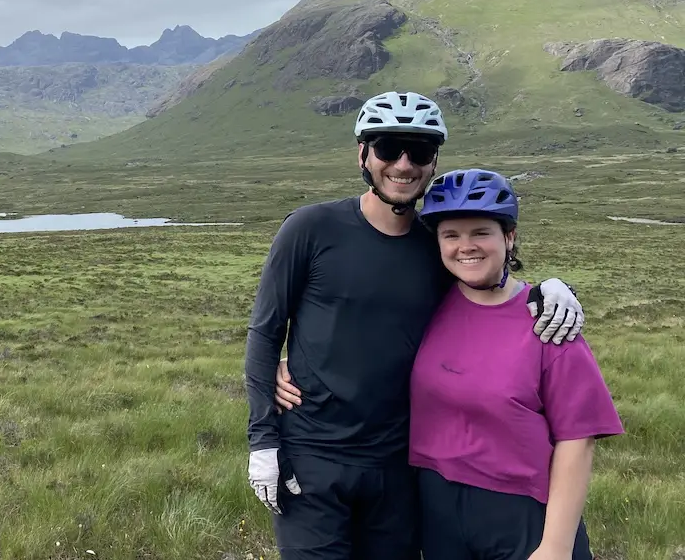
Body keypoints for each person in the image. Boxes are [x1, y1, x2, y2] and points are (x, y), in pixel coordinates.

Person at [245, 90, 585, 560]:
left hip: (399, 468)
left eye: (420, 151)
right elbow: (265, 332)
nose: (403, 164)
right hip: (312, 457)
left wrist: (551, 288)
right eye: (388, 148)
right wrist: (262, 441)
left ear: (433, 161)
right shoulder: (309, 229)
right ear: (363, 154)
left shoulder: (436, 245)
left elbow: (487, 285)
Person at [407, 167, 623, 559]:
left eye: (481, 233)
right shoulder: (426, 305)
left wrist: (555, 546)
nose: (465, 246)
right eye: (451, 235)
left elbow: (578, 440)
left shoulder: (548, 321)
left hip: (522, 516)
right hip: (437, 509)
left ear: (509, 237)